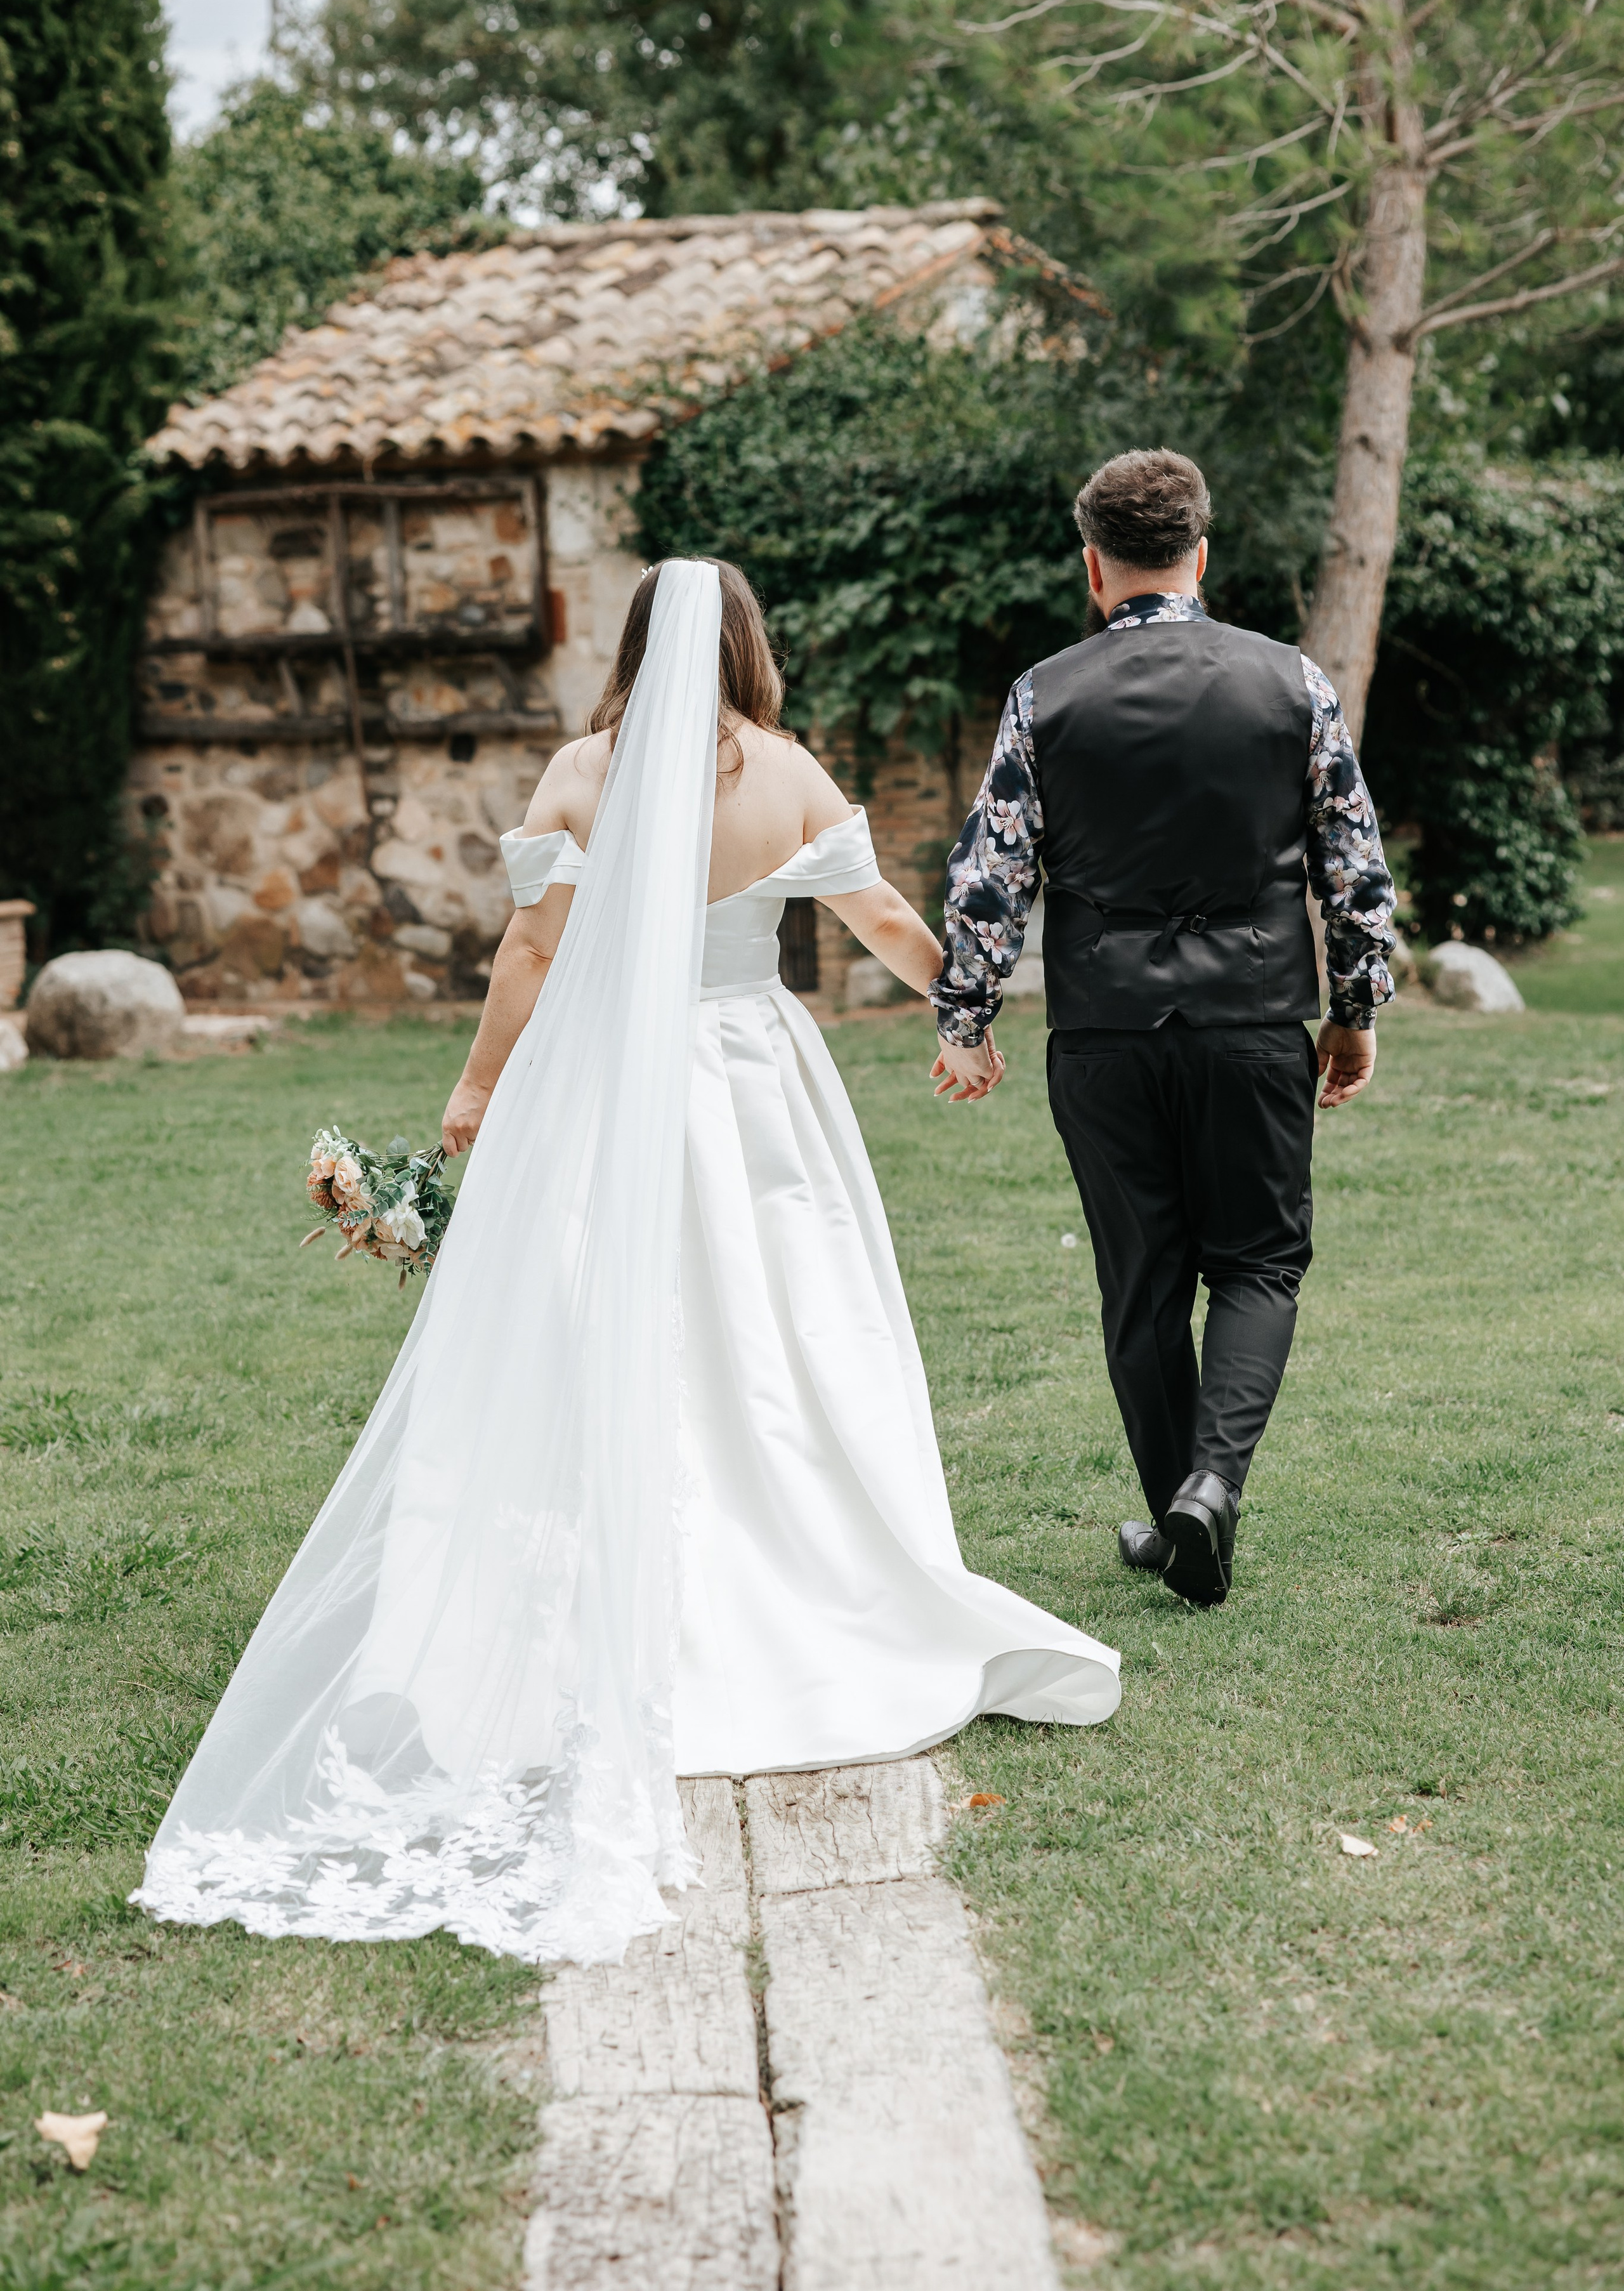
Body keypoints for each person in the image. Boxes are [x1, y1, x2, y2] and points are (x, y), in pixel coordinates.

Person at [134, 558, 1118, 1972]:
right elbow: (887, 924)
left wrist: (476, 1096)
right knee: (773, 1327)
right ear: (743, 647)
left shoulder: (578, 773)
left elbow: (529, 955)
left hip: (600, 1084)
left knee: (591, 1322)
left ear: (634, 646)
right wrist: (957, 1014)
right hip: (747, 1078)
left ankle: (592, 1595)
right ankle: (797, 1576)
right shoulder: (783, 772)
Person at [930, 450, 1396, 1608]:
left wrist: (965, 1018)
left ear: (1094, 565)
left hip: (1104, 1032)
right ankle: (1209, 1492)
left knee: (1141, 1283)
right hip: (1251, 1020)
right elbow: (1355, 869)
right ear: (1204, 550)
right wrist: (1355, 1011)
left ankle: (1187, 1517)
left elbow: (990, 881)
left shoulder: (1045, 694)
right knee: (1258, 1261)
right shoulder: (1293, 683)